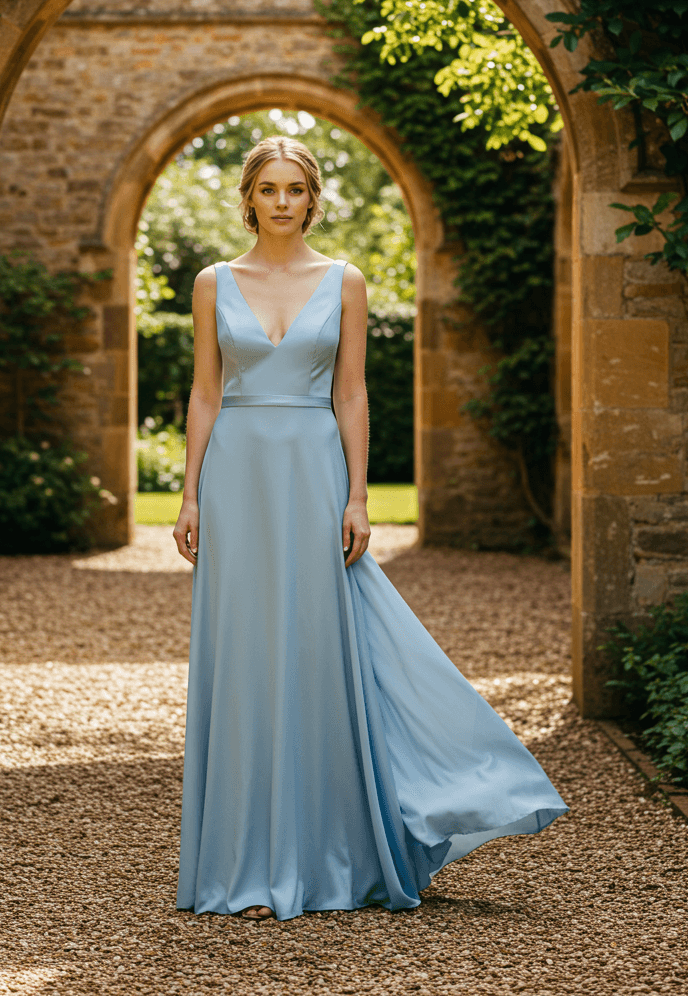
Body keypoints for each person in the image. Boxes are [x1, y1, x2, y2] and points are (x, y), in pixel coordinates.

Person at [173, 136, 567, 921]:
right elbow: (206, 394)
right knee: (246, 653)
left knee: (324, 650)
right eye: (269, 189)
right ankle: (242, 859)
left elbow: (351, 395)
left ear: (313, 199)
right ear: (248, 198)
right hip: (239, 477)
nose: (282, 201)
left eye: (295, 189)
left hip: (314, 473)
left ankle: (333, 849)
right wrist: (189, 495)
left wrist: (357, 496)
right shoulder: (213, 283)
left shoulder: (344, 281)